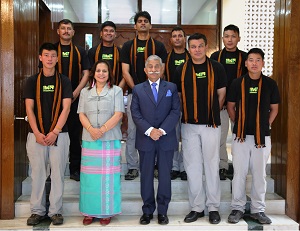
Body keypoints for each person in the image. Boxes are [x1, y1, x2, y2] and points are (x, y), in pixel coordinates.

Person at [174, 33, 227, 224]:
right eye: (193, 46)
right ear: (189, 49)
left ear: (206, 47)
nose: (197, 49)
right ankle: (197, 207)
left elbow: (222, 94)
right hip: (189, 125)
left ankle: (213, 207)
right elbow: (179, 97)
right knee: (192, 166)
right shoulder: (181, 69)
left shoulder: (217, 67)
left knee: (211, 165)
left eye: (200, 46)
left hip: (211, 124)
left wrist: (211, 112)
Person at [227, 48, 280, 224]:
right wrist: (238, 125)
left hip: (262, 137)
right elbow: (231, 106)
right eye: (251, 60)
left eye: (258, 60)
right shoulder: (237, 83)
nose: (254, 63)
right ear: (246, 63)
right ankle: (237, 208)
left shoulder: (270, 84)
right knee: (239, 174)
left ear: (263, 63)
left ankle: (258, 210)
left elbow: (274, 108)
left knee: (259, 175)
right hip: (240, 137)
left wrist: (266, 124)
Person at [24, 43, 73, 226]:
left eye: (53, 55)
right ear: (40, 58)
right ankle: (37, 211)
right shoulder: (31, 81)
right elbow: (29, 108)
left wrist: (55, 131)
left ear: (57, 58)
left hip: (59, 134)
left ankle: (56, 211)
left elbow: (66, 107)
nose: (50, 58)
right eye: (46, 55)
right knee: (37, 173)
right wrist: (37, 133)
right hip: (36, 136)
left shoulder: (65, 81)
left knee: (58, 173)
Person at [131, 55, 180, 225]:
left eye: (157, 66)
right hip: (146, 138)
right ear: (145, 70)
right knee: (146, 175)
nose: (153, 69)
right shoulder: (137, 89)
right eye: (150, 66)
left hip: (166, 138)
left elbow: (175, 111)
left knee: (165, 175)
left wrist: (161, 130)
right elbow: (135, 113)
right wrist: (150, 131)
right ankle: (147, 211)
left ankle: (163, 211)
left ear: (162, 68)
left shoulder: (171, 87)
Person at [121, 11, 167, 180]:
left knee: (154, 130)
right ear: (135, 25)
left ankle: (154, 165)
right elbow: (125, 72)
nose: (142, 23)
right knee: (132, 131)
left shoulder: (159, 46)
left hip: (156, 96)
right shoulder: (127, 46)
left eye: (145, 21)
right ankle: (133, 167)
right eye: (139, 21)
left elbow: (162, 71)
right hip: (135, 94)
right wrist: (139, 90)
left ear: (150, 25)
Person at [77, 60, 124, 226]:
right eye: (98, 70)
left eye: (104, 71)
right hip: (90, 140)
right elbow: (81, 114)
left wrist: (101, 130)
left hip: (109, 139)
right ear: (93, 73)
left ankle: (107, 211)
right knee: (89, 179)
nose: (101, 73)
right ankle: (89, 212)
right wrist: (91, 129)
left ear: (109, 73)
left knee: (108, 178)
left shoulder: (116, 91)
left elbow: (119, 114)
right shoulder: (84, 92)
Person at [210, 24, 248, 180]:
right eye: (227, 36)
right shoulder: (214, 57)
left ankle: (240, 167)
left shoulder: (246, 58)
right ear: (223, 38)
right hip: (221, 106)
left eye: (233, 36)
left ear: (238, 38)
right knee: (220, 138)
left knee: (240, 137)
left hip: (241, 106)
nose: (230, 39)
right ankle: (222, 166)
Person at [56, 19, 91, 181]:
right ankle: (54, 169)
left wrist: (76, 92)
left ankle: (75, 169)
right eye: (63, 28)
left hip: (76, 98)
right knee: (54, 133)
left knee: (75, 134)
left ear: (73, 32)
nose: (66, 31)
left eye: (69, 28)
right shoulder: (51, 50)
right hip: (55, 100)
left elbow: (86, 74)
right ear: (58, 31)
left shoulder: (80, 51)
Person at [165, 26, 190, 181]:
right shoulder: (166, 59)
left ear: (184, 38)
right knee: (173, 136)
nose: (177, 38)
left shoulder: (191, 57)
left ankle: (185, 167)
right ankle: (174, 166)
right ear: (171, 40)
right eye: (174, 36)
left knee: (187, 137)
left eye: (180, 35)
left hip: (189, 103)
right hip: (171, 103)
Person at [88, 21, 125, 88]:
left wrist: (118, 90)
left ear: (115, 34)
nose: (108, 33)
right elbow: (89, 73)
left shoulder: (121, 52)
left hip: (116, 89)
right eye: (106, 31)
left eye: (111, 31)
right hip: (96, 90)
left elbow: (125, 74)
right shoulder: (92, 51)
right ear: (101, 33)